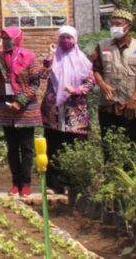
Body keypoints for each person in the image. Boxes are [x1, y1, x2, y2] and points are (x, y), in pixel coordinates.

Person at [0, 26, 42, 197]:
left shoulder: (29, 56)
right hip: (5, 107)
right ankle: (15, 183)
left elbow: (35, 82)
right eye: (3, 38)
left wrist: (20, 101)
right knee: (12, 148)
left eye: (8, 38)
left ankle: (26, 184)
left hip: (25, 108)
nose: (6, 41)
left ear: (17, 38)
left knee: (26, 147)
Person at [40, 26, 94, 194]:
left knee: (74, 145)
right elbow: (43, 73)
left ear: (75, 39)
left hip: (75, 111)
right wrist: (49, 55)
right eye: (62, 37)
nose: (65, 41)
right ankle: (54, 184)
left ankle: (74, 184)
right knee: (54, 145)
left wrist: (77, 91)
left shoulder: (82, 59)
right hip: (54, 111)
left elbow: (91, 81)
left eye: (69, 37)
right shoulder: (54, 57)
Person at [90, 10, 136, 143]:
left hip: (131, 105)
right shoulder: (102, 46)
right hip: (108, 104)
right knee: (108, 144)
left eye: (118, 24)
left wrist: (133, 100)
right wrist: (102, 84)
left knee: (131, 144)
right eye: (112, 24)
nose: (114, 27)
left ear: (128, 26)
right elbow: (95, 69)